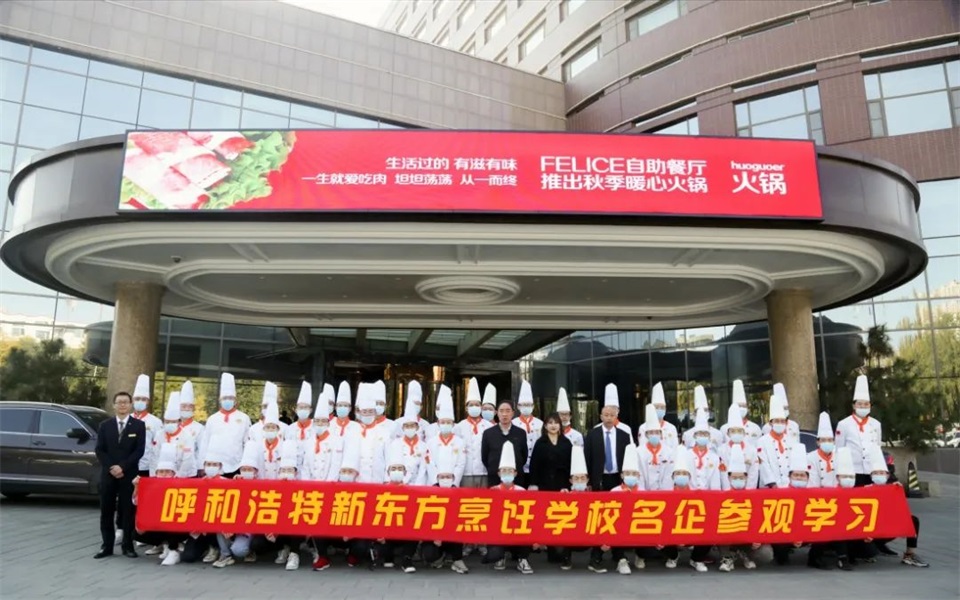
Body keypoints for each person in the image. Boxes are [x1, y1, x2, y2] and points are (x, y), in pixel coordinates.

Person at [94, 390, 147, 559]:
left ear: (130, 405)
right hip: (108, 474)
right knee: (106, 510)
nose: (122, 405)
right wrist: (112, 467)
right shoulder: (105, 425)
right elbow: (100, 450)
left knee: (128, 511)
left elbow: (139, 450)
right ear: (114, 405)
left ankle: (128, 546)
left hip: (128, 474)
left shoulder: (138, 426)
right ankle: (106, 546)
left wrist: (122, 467)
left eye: (125, 402)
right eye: (119, 402)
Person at [864, 444, 929, 568]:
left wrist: (897, 491)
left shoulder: (893, 485)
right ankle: (871, 549)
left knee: (913, 520)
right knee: (866, 553)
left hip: (886, 523)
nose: (879, 474)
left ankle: (909, 554)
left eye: (882, 472)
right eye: (876, 472)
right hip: (868, 527)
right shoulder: (864, 487)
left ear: (888, 474)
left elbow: (899, 508)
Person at [484, 440, 533, 574]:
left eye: (510, 471)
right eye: (504, 471)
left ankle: (522, 559)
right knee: (494, 554)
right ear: (499, 473)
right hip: (498, 532)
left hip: (517, 531)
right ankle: (501, 557)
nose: (507, 473)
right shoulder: (492, 491)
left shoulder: (522, 491)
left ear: (515, 473)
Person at [134, 443, 186, 566]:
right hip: (158, 524)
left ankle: (174, 550)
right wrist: (136, 486)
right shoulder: (151, 487)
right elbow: (137, 502)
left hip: (179, 525)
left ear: (173, 474)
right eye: (161, 472)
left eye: (167, 472)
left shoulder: (181, 487)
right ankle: (165, 545)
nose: (164, 474)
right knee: (136, 532)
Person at [663, 446, 713, 571]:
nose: (681, 476)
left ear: (690, 477)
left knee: (710, 532)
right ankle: (673, 557)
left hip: (693, 529)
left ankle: (696, 559)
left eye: (684, 474)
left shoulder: (698, 495)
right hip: (671, 531)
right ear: (673, 476)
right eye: (678, 473)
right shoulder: (664, 495)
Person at [421, 448, 469, 574]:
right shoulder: (428, 495)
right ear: (437, 478)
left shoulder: (459, 495)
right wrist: (433, 536)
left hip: (452, 535)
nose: (445, 479)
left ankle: (457, 559)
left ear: (453, 478)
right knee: (429, 554)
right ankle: (440, 557)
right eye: (442, 477)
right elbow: (424, 520)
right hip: (433, 536)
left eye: (448, 477)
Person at [198, 372, 251, 478]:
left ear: (235, 400)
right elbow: (205, 442)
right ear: (220, 400)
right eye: (225, 398)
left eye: (230, 398)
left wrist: (246, 464)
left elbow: (247, 443)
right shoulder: (212, 419)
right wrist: (201, 465)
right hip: (214, 467)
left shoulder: (244, 418)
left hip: (236, 466)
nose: (228, 400)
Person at [716, 444, 759, 572]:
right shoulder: (721, 496)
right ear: (729, 478)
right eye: (734, 477)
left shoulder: (754, 497)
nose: (738, 480)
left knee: (765, 554)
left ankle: (742, 554)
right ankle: (728, 557)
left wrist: (759, 538)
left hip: (748, 535)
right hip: (728, 534)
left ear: (746, 478)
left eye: (741, 477)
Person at [835, 375, 883, 487]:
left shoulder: (876, 424)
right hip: (852, 472)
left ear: (870, 406)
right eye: (860, 404)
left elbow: (878, 447)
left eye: (866, 404)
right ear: (854, 405)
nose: (863, 407)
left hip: (871, 471)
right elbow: (839, 450)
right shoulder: (844, 424)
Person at [381, 443, 419, 573]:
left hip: (405, 530)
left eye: (399, 468)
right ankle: (388, 557)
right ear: (388, 472)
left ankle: (407, 560)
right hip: (387, 531)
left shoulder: (412, 491)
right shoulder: (380, 491)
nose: (396, 471)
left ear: (405, 472)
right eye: (393, 468)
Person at [772, 443, 812, 565]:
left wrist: (801, 535)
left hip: (806, 530)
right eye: (796, 475)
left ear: (807, 477)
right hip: (784, 530)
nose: (799, 477)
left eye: (802, 475)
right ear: (789, 476)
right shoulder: (780, 493)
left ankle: (815, 558)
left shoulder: (814, 494)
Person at [610, 441, 645, 573]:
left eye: (634, 474)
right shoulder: (614, 491)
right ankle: (621, 560)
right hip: (620, 527)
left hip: (638, 527)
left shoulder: (644, 492)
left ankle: (641, 556)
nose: (631, 476)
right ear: (622, 475)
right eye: (627, 473)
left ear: (638, 476)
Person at [584, 396, 631, 491]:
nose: (609, 418)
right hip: (599, 478)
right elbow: (587, 458)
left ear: (616, 417)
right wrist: (588, 482)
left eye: (612, 415)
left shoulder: (624, 436)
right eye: (606, 415)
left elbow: (628, 459)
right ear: (601, 417)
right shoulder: (592, 435)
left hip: (618, 478)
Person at [455, 377, 494, 488]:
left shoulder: (489, 426)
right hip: (466, 472)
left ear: (481, 407)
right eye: (471, 405)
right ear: (466, 408)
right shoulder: (459, 426)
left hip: (484, 471)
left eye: (477, 405)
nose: (474, 407)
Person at [300, 387, 343, 483]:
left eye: (323, 421)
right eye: (317, 421)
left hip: (328, 485)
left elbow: (335, 466)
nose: (320, 424)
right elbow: (305, 467)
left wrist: (327, 486)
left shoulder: (336, 441)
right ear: (313, 423)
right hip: (310, 486)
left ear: (328, 424)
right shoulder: (309, 442)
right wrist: (306, 485)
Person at [480, 401, 528, 487]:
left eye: (508, 411)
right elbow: (485, 457)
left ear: (513, 413)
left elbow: (524, 456)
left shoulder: (521, 433)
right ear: (496, 413)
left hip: (516, 478)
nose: (504, 414)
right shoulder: (488, 433)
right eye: (501, 411)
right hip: (494, 477)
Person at [425, 386, 465, 486]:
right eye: (443, 422)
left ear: (453, 424)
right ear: (438, 423)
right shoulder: (431, 442)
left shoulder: (460, 442)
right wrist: (436, 480)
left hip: (453, 483)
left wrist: (454, 481)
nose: (445, 424)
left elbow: (461, 464)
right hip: (435, 483)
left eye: (448, 422)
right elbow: (429, 462)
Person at [718, 401, 759, 490]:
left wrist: (749, 491)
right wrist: (728, 491)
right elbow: (723, 473)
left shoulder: (752, 450)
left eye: (739, 431)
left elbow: (753, 473)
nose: (736, 433)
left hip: (747, 491)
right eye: (733, 431)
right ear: (728, 434)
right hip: (728, 491)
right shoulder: (721, 450)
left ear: (744, 433)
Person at [355, 383, 391, 483]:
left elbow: (388, 458)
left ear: (375, 413)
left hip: (378, 481)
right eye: (365, 412)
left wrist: (387, 480)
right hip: (357, 482)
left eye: (371, 411)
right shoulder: (353, 431)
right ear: (360, 413)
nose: (368, 414)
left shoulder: (384, 433)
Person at [758, 394, 796, 489]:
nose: (780, 424)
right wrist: (772, 484)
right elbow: (764, 464)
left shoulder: (791, 441)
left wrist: (792, 483)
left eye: (782, 421)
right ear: (771, 423)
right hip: (770, 487)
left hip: (789, 486)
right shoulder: (762, 441)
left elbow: (794, 463)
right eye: (777, 421)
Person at [529, 412, 572, 492]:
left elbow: (570, 464)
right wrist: (534, 483)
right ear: (545, 426)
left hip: (563, 484)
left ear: (560, 425)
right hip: (543, 484)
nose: (553, 425)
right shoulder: (540, 443)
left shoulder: (566, 442)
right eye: (550, 423)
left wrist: (568, 484)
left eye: (556, 423)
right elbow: (534, 465)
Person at [637, 403, 675, 491]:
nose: (654, 435)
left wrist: (662, 494)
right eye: (651, 432)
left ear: (661, 434)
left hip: (664, 493)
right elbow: (639, 476)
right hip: (644, 493)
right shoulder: (638, 452)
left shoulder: (669, 452)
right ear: (646, 435)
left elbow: (668, 476)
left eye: (657, 432)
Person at [130, 374, 162, 478]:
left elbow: (159, 445)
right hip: (128, 465)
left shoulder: (156, 422)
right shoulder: (127, 419)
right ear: (133, 400)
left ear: (148, 401)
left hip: (147, 467)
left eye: (143, 399)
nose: (140, 401)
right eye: (137, 399)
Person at [719, 379, 763, 445]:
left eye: (744, 406)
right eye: (739, 406)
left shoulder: (755, 427)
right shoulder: (724, 428)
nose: (742, 408)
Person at [389, 412, 428, 485]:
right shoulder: (395, 443)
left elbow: (423, 469)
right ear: (402, 428)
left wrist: (418, 485)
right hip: (399, 482)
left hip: (417, 484)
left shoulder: (424, 446)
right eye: (406, 426)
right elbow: (393, 465)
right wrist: (403, 481)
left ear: (417, 427)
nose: (409, 428)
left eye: (412, 426)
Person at [688, 408, 722, 491]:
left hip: (708, 495)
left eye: (705, 434)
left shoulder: (714, 457)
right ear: (694, 436)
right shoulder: (686, 455)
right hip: (689, 495)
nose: (702, 436)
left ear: (709, 437)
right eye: (700, 433)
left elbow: (715, 483)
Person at [637, 383, 679, 450]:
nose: (659, 409)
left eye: (662, 407)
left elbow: (675, 449)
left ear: (665, 409)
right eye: (657, 407)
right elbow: (642, 448)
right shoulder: (643, 428)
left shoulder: (672, 428)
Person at [681, 386, 723, 450]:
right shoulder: (687, 435)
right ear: (695, 413)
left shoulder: (718, 434)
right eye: (699, 410)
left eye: (705, 410)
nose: (702, 412)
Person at [808, 411, 837, 488]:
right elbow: (812, 481)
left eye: (830, 440)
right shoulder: (810, 457)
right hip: (818, 492)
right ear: (818, 442)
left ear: (834, 442)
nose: (827, 442)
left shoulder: (838, 457)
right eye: (823, 440)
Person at [177, 381, 204, 460]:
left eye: (190, 406)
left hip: (191, 465)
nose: (187, 409)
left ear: (193, 408)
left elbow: (201, 451)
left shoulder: (199, 428)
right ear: (178, 407)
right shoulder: (172, 426)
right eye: (184, 406)